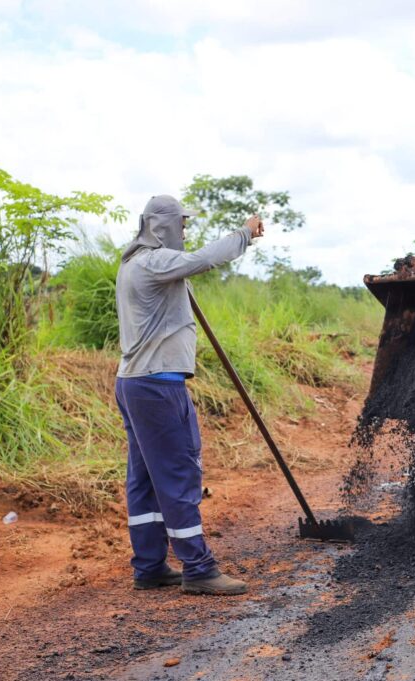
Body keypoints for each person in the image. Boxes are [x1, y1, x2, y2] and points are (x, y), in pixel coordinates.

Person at [114, 195, 263, 595]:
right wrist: (245, 234)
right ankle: (197, 567)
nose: (185, 230)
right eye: (181, 224)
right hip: (157, 387)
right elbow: (204, 258)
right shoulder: (152, 262)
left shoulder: (133, 264)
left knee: (145, 478)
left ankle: (149, 567)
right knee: (178, 473)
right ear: (159, 225)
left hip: (134, 383)